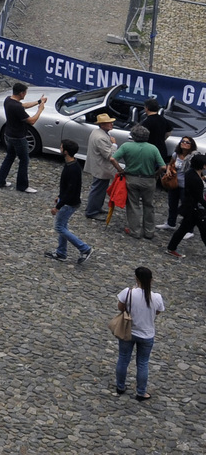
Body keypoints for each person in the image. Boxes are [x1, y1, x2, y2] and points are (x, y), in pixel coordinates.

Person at [115, 266, 164, 401]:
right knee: (143, 363)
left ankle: (120, 386)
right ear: (151, 280)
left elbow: (120, 306)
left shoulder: (128, 292)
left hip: (128, 331)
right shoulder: (157, 297)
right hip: (147, 334)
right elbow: (158, 312)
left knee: (123, 358)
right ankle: (141, 392)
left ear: (136, 279)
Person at [46, 140, 96, 262]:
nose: (60, 148)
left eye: (61, 147)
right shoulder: (72, 165)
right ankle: (61, 253)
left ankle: (84, 248)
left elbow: (70, 190)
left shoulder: (72, 169)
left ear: (66, 151)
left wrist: (58, 206)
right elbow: (67, 187)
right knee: (63, 226)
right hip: (67, 200)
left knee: (59, 227)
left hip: (69, 203)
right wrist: (60, 195)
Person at [114, 126, 165, 240]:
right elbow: (163, 166)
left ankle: (135, 231)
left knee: (133, 205)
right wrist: (156, 174)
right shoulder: (153, 148)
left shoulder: (126, 146)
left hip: (131, 178)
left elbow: (113, 159)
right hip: (149, 180)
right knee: (149, 205)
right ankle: (149, 232)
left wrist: (120, 170)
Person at [0, 81, 44, 193]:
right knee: (24, 161)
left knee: (9, 158)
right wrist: (40, 109)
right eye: (25, 93)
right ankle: (22, 185)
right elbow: (32, 121)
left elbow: (23, 105)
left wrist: (38, 102)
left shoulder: (8, 100)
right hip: (18, 137)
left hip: (9, 134)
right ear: (21, 93)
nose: (25, 94)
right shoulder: (17, 107)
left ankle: (0, 181)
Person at [166, 153, 206, 257]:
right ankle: (171, 248)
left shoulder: (190, 173)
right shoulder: (196, 179)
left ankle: (171, 248)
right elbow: (199, 198)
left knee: (186, 229)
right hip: (195, 209)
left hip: (190, 207)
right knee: (201, 229)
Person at [84, 112, 122, 219]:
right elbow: (109, 155)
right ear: (102, 125)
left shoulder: (97, 132)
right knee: (97, 190)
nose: (111, 124)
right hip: (101, 168)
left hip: (99, 166)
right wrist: (114, 145)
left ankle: (96, 207)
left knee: (99, 189)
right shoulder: (101, 137)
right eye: (108, 123)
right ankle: (92, 211)